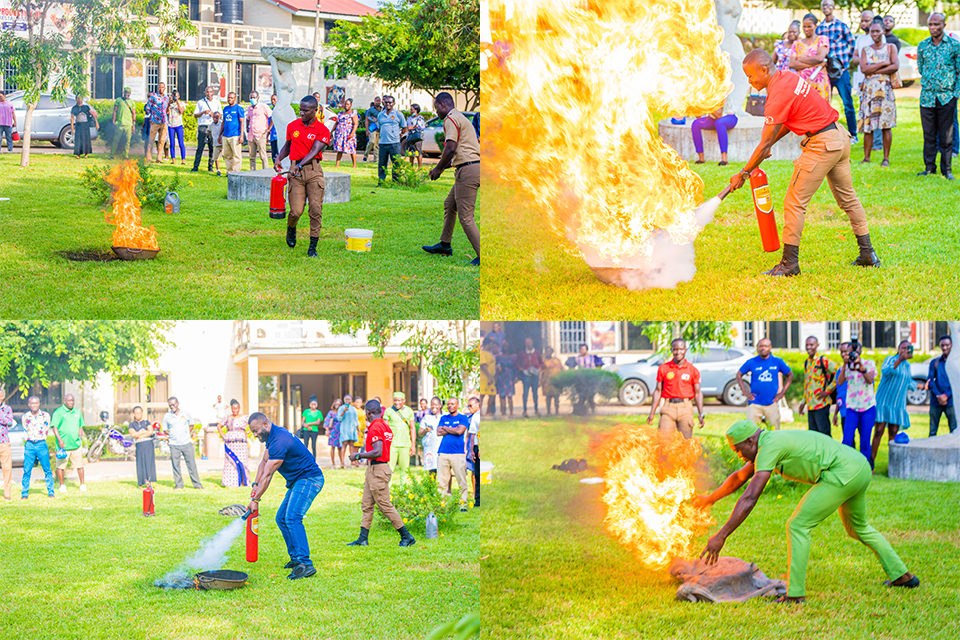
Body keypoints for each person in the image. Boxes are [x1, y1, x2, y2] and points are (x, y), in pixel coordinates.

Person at [697, 420, 919, 603]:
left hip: (841, 473)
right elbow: (738, 477)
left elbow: (749, 497)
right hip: (858, 467)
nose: (738, 456)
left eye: (738, 450)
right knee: (858, 528)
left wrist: (721, 535)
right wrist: (710, 499)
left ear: (750, 441)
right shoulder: (769, 442)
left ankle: (795, 594)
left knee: (798, 525)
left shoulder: (769, 447)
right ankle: (903, 576)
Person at [729, 49, 880, 276]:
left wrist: (744, 173)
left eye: (751, 76)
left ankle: (789, 264)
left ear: (763, 69)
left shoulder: (777, 93)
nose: (749, 81)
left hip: (822, 144)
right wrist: (771, 144)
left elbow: (763, 143)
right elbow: (790, 121)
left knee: (794, 202)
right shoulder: (787, 78)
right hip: (839, 137)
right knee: (849, 199)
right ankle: (868, 254)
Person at [247, 412, 325, 579]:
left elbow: (268, 474)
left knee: (292, 517)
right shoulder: (272, 437)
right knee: (281, 518)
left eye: (256, 431)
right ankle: (296, 559)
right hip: (298, 481)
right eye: (252, 432)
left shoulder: (280, 440)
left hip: (309, 479)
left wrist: (255, 500)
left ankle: (305, 564)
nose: (254, 435)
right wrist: (255, 485)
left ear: (265, 424)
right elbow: (263, 462)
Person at [346, 399, 417, 548]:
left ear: (368, 412)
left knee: (385, 505)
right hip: (374, 470)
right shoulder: (386, 426)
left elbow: (377, 451)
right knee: (367, 504)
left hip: (378, 470)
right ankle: (362, 539)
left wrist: (358, 455)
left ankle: (406, 536)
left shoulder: (375, 427)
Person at [422, 92, 481, 266]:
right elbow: (459, 153)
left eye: (435, 108)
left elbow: (450, 148)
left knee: (466, 216)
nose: (436, 113)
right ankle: (445, 244)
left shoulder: (450, 118)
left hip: (468, 171)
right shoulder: (460, 117)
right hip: (472, 166)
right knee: (450, 204)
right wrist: (438, 168)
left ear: (442, 105)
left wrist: (438, 169)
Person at [273, 95, 331, 258]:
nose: (302, 113)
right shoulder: (293, 126)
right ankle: (291, 228)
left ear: (315, 110)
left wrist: (300, 165)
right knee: (296, 211)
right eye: (300, 110)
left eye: (306, 110)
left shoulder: (322, 130)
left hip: (313, 171)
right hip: (295, 172)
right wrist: (279, 158)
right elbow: (288, 145)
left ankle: (312, 246)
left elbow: (314, 151)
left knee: (315, 209)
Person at [917, 13, 960, 180]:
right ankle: (929, 168)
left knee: (947, 135)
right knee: (928, 134)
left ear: (944, 24)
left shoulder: (954, 46)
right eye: (930, 24)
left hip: (947, 97)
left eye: (936, 24)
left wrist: (955, 94)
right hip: (927, 97)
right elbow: (921, 67)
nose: (933, 27)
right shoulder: (922, 46)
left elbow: (958, 72)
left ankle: (947, 170)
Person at [857, 18, 898, 166]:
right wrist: (882, 63)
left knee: (886, 124)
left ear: (883, 31)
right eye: (872, 31)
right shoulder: (865, 50)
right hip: (869, 91)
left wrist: (872, 68)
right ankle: (866, 158)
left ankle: (885, 158)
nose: (874, 34)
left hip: (885, 91)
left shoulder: (891, 47)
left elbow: (895, 66)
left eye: (877, 31)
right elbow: (863, 69)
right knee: (868, 125)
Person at [646, 339, 705, 439]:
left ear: (685, 350)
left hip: (685, 408)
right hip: (668, 407)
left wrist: (700, 414)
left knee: (685, 442)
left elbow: (698, 393)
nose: (678, 352)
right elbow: (657, 391)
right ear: (671, 350)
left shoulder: (693, 370)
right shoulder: (663, 368)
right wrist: (652, 413)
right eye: (675, 349)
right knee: (664, 441)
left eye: (681, 349)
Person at [816, 0, 858, 139]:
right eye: (824, 5)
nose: (826, 7)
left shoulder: (841, 26)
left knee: (847, 103)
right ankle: (826, 134)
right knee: (825, 104)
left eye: (828, 5)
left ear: (833, 8)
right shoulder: (819, 28)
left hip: (841, 72)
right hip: (825, 72)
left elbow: (852, 43)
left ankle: (853, 134)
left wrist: (844, 62)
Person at [872, 341, 917, 466]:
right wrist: (901, 358)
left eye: (908, 348)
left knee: (893, 434)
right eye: (903, 348)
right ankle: (870, 464)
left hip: (898, 405)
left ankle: (892, 466)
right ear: (898, 349)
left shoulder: (907, 365)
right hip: (884, 401)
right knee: (878, 431)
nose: (905, 350)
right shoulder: (890, 359)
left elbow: (909, 382)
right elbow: (886, 371)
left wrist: (925, 386)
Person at [736, 338, 793, 429]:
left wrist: (782, 393)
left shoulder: (777, 361)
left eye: (766, 346)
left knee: (774, 433)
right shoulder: (751, 362)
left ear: (770, 348)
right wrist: (745, 392)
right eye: (760, 346)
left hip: (771, 402)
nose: (763, 348)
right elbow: (739, 375)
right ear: (757, 348)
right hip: (754, 403)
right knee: (751, 432)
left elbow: (790, 375)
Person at [835, 344, 876, 463]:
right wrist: (844, 364)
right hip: (852, 408)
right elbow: (841, 381)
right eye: (848, 352)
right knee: (847, 440)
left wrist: (861, 366)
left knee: (864, 441)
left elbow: (870, 380)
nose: (851, 354)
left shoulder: (869, 363)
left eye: (853, 352)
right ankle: (846, 465)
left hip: (867, 407)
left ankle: (865, 468)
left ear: (860, 352)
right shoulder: (847, 366)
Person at [798, 336, 838, 437]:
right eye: (807, 345)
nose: (808, 347)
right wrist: (803, 403)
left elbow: (839, 372)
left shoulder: (823, 360)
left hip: (821, 404)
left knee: (824, 435)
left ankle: (829, 453)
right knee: (813, 436)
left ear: (817, 345)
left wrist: (827, 391)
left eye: (811, 344)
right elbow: (807, 385)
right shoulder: (807, 362)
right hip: (811, 405)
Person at [437, 397, 471, 510]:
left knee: (461, 480)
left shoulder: (463, 417)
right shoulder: (443, 417)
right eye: (448, 404)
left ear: (457, 405)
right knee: (442, 481)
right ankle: (442, 504)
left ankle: (463, 504)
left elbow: (460, 431)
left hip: (458, 453)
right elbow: (438, 432)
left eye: (452, 404)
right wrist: (453, 429)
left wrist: (445, 428)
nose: (450, 406)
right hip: (443, 453)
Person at [163, 396, 203, 490]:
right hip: (174, 445)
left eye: (173, 404)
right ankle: (179, 485)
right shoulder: (167, 416)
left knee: (191, 465)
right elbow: (165, 430)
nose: (172, 407)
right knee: (176, 465)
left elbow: (191, 425)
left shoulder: (185, 413)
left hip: (186, 443)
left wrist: (185, 434)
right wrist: (173, 434)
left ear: (178, 403)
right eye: (170, 405)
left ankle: (197, 484)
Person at [788, 15, 830, 102]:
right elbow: (792, 64)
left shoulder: (822, 40)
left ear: (815, 26)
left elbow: (820, 58)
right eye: (804, 26)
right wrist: (816, 64)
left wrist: (799, 59)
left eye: (809, 26)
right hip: (802, 85)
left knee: (820, 112)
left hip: (819, 84)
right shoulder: (797, 44)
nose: (806, 29)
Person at [51, 393, 87, 493]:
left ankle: (82, 484)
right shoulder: (58, 412)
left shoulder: (77, 412)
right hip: (63, 446)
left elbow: (81, 425)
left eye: (72, 400)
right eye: (69, 400)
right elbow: (55, 427)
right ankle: (62, 485)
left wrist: (80, 438)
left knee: (79, 465)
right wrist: (59, 440)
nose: (71, 402)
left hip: (76, 445)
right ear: (64, 401)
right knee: (61, 466)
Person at [21, 396, 55, 499]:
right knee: (27, 469)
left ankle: (51, 492)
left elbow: (46, 429)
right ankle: (24, 493)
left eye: (36, 403)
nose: (34, 405)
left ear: (39, 403)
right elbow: (26, 430)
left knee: (47, 469)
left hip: (41, 444)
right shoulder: (25, 417)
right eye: (32, 403)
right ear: (29, 404)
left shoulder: (46, 416)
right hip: (30, 445)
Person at [218, 399, 250, 487]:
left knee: (243, 462)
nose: (235, 411)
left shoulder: (245, 417)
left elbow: (253, 424)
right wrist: (223, 435)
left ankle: (244, 482)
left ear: (239, 408)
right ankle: (230, 483)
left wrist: (247, 433)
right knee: (230, 463)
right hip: (230, 444)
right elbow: (219, 426)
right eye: (233, 409)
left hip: (241, 444)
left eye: (236, 409)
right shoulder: (227, 417)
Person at [374, 95, 406, 183]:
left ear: (394, 104)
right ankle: (381, 181)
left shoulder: (398, 114)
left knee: (396, 163)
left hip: (394, 143)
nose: (388, 104)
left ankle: (396, 181)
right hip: (383, 143)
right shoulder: (381, 115)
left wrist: (401, 134)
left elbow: (404, 127)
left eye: (390, 102)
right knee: (382, 164)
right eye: (386, 102)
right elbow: (380, 127)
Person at [928, 335, 956, 436]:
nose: (944, 347)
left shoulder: (956, 363)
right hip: (936, 401)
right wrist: (939, 395)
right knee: (932, 431)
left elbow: (957, 382)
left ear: (952, 345)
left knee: (954, 431)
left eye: (947, 345)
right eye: (942, 345)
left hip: (951, 402)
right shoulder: (935, 363)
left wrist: (946, 395)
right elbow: (930, 381)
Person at [191, 85, 222, 173]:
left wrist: (214, 115)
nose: (209, 93)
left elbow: (221, 115)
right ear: (205, 93)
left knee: (212, 147)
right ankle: (195, 166)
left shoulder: (217, 102)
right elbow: (195, 115)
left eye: (210, 92)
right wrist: (203, 112)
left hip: (213, 126)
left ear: (213, 92)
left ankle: (210, 167)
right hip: (203, 126)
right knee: (200, 147)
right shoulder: (200, 102)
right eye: (207, 92)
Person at [385, 393, 416, 478]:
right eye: (395, 400)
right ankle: (387, 489)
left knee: (404, 469)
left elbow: (412, 428)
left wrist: (413, 445)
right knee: (389, 469)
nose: (397, 402)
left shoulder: (409, 411)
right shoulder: (388, 411)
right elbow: (385, 429)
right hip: (392, 445)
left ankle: (404, 490)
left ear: (404, 400)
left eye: (399, 400)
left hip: (405, 444)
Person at [127, 406, 157, 487]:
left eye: (140, 413)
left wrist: (139, 434)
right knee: (140, 463)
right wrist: (144, 432)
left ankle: (150, 482)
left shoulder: (147, 422)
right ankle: (141, 482)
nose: (138, 414)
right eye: (137, 413)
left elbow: (150, 432)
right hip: (139, 446)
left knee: (149, 463)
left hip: (148, 445)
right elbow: (133, 434)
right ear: (134, 414)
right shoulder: (132, 424)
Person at [516, 337, 543, 418]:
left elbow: (541, 362)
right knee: (525, 392)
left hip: (535, 375)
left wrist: (540, 369)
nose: (529, 344)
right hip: (526, 374)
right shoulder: (522, 353)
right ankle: (525, 410)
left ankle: (536, 409)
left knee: (535, 393)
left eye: (530, 343)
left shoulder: (537, 353)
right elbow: (516, 362)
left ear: (532, 343)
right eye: (527, 343)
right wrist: (520, 368)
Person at [219, 92, 245, 174]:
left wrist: (241, 135)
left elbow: (242, 123)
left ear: (235, 99)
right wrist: (220, 134)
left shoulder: (238, 109)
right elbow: (223, 122)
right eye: (228, 97)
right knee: (227, 155)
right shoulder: (225, 109)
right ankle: (230, 172)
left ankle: (237, 172)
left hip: (235, 135)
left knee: (236, 155)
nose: (229, 99)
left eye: (231, 98)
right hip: (226, 135)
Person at [246, 90, 272, 171]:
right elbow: (248, 118)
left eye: (254, 97)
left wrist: (269, 128)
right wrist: (247, 126)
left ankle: (265, 172)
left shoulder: (263, 106)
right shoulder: (249, 108)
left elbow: (272, 116)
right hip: (251, 135)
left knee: (263, 156)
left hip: (260, 134)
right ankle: (252, 172)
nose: (252, 99)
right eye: (251, 97)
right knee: (251, 156)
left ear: (258, 98)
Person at [331, 98, 359, 169]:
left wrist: (352, 133)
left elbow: (356, 124)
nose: (346, 105)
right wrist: (331, 131)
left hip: (348, 134)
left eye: (348, 104)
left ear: (351, 105)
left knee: (352, 149)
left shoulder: (353, 113)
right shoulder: (340, 113)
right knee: (339, 149)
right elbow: (336, 123)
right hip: (340, 134)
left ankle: (354, 165)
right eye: (345, 104)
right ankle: (337, 165)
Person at [145, 82, 169, 163]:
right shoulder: (153, 96)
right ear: (158, 88)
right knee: (151, 139)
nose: (161, 89)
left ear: (165, 88)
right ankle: (148, 157)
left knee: (162, 141)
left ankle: (159, 158)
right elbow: (148, 106)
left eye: (162, 87)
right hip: (155, 121)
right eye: (160, 87)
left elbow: (168, 109)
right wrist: (152, 114)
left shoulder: (166, 98)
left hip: (164, 122)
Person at [418, 396, 443, 475]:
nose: (434, 406)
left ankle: (444, 488)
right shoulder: (426, 418)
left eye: (436, 404)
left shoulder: (444, 417)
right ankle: (431, 488)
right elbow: (420, 432)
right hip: (430, 449)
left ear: (440, 405)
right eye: (432, 404)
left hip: (442, 448)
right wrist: (425, 430)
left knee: (443, 471)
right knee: (432, 472)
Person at [110, 87, 136, 159]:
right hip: (119, 124)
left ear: (130, 93)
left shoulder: (132, 102)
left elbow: (133, 113)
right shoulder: (118, 100)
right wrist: (113, 121)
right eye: (125, 92)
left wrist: (133, 125)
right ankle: (112, 155)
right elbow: (115, 111)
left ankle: (125, 155)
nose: (126, 93)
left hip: (128, 124)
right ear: (123, 92)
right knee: (116, 140)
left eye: (128, 92)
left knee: (127, 141)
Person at [70, 94, 98, 159]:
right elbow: (72, 118)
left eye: (80, 98)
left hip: (85, 125)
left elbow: (93, 115)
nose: (79, 100)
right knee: (78, 140)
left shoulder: (86, 107)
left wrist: (96, 123)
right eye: (78, 98)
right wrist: (72, 128)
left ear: (82, 99)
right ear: (76, 99)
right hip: (78, 125)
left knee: (86, 139)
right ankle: (78, 154)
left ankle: (86, 154)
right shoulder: (74, 108)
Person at [541, 346, 565, 416]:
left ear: (552, 352)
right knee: (548, 397)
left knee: (556, 397)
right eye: (547, 351)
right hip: (547, 382)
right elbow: (541, 371)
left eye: (550, 351)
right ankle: (548, 411)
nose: (548, 352)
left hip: (556, 381)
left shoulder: (557, 360)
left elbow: (562, 369)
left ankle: (557, 411)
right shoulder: (543, 361)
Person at [496, 341, 517, 417]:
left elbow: (515, 367)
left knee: (510, 396)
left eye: (507, 346)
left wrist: (515, 377)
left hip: (510, 377)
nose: (506, 347)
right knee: (502, 396)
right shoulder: (499, 357)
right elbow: (496, 365)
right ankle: (503, 412)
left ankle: (511, 411)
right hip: (501, 377)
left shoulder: (513, 357)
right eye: (505, 346)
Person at [0, 386, 14, 501]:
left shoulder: (7, 409)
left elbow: (9, 422)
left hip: (4, 442)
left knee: (7, 469)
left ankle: (7, 494)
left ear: (2, 397)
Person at [467, 396, 481, 508]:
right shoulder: (475, 417)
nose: (469, 408)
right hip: (477, 447)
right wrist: (471, 450)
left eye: (470, 405)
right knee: (476, 474)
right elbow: (472, 434)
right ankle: (478, 501)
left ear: (477, 404)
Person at [166, 90, 186, 165]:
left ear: (179, 96)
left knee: (181, 143)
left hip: (179, 125)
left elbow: (181, 111)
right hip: (171, 125)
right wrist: (169, 103)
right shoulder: (170, 104)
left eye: (176, 96)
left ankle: (183, 160)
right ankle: (173, 160)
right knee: (172, 143)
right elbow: (167, 112)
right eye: (173, 96)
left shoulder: (181, 103)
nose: (175, 97)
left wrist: (177, 102)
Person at [337, 393, 359, 462]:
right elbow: (339, 418)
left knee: (352, 445)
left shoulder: (353, 408)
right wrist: (344, 411)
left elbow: (356, 419)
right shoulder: (341, 408)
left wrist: (357, 429)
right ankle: (342, 462)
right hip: (344, 429)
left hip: (352, 429)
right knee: (344, 444)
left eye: (349, 399)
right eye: (346, 399)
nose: (347, 401)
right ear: (344, 400)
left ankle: (352, 461)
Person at [404, 103, 426, 168]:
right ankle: (411, 166)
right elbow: (406, 127)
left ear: (416, 110)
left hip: (417, 137)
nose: (410, 111)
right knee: (411, 152)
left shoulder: (420, 118)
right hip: (410, 137)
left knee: (418, 152)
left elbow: (419, 126)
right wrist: (411, 127)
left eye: (412, 110)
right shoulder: (409, 118)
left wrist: (410, 127)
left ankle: (419, 167)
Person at [324, 399, 345, 469]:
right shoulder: (331, 412)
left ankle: (341, 462)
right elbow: (326, 421)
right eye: (336, 404)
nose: (337, 406)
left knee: (340, 448)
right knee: (332, 447)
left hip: (341, 431)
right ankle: (333, 463)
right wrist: (327, 431)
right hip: (333, 431)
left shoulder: (342, 412)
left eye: (339, 404)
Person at [301, 396, 322, 460]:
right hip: (306, 430)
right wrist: (307, 426)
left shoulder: (318, 412)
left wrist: (309, 424)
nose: (313, 405)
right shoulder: (306, 411)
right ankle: (305, 458)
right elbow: (303, 422)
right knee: (305, 445)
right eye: (312, 404)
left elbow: (318, 422)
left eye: (315, 404)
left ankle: (314, 459)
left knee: (313, 446)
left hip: (314, 430)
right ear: (310, 404)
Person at [362, 96, 381, 162]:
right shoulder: (370, 110)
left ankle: (376, 159)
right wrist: (367, 130)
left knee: (377, 145)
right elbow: (366, 120)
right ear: (374, 101)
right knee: (372, 142)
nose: (378, 102)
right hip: (372, 129)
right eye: (377, 101)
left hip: (380, 129)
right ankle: (365, 155)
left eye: (379, 101)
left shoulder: (382, 109)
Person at [210, 112, 224, 176]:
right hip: (215, 144)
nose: (215, 119)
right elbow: (209, 131)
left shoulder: (221, 124)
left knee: (226, 157)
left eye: (217, 117)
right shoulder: (211, 125)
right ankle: (218, 170)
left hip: (222, 143)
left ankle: (228, 170)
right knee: (216, 158)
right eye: (214, 117)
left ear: (220, 117)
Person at [268, 94, 279, 162]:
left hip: (279, 137)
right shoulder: (271, 111)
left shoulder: (281, 111)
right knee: (273, 155)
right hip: (273, 137)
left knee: (279, 155)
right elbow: (269, 125)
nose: (273, 101)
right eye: (271, 100)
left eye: (274, 99)